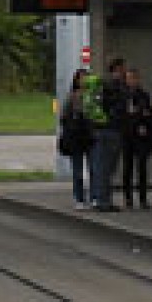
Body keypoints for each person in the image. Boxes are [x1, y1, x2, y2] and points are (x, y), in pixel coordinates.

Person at [86, 57, 129, 213]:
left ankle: (99, 199)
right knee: (107, 168)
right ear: (117, 68)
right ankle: (104, 201)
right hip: (111, 130)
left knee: (101, 167)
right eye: (123, 68)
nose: (125, 71)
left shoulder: (101, 84)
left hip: (100, 129)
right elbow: (119, 107)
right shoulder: (116, 86)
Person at [119, 65, 152, 210]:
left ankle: (143, 198)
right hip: (127, 134)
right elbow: (122, 113)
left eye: (134, 78)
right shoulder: (123, 94)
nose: (132, 81)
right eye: (129, 78)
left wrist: (142, 118)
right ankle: (128, 198)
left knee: (142, 166)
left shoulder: (143, 95)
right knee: (128, 166)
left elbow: (148, 112)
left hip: (140, 135)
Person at [57, 68, 94, 207]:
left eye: (86, 78)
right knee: (77, 170)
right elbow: (63, 117)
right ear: (77, 81)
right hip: (76, 137)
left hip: (90, 136)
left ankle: (93, 196)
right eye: (81, 78)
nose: (84, 81)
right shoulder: (72, 97)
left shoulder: (94, 96)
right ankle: (79, 198)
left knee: (94, 169)